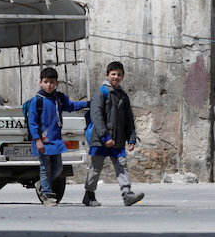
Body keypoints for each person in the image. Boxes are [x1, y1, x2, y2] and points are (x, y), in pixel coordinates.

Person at [83, 61, 144, 207]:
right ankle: (89, 195)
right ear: (107, 75)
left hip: (117, 139)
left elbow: (128, 118)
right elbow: (96, 116)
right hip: (100, 139)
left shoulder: (123, 95)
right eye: (113, 74)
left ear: (123, 76)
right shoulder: (101, 93)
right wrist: (105, 137)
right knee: (95, 168)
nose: (116, 77)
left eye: (119, 74)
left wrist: (131, 137)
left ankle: (127, 195)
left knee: (121, 166)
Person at [27, 66, 89, 207]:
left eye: (52, 82)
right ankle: (47, 196)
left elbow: (72, 106)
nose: (49, 85)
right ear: (40, 82)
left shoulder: (59, 98)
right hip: (43, 141)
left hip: (55, 141)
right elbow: (33, 122)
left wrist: (87, 104)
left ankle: (42, 185)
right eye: (46, 82)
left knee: (58, 168)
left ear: (57, 83)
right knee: (45, 168)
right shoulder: (37, 101)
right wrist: (37, 140)